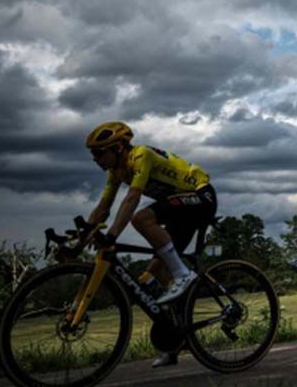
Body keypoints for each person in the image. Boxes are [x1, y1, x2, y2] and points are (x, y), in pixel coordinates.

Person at [83, 121, 217, 367]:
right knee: (151, 278)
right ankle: (175, 342)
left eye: (100, 153)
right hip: (178, 207)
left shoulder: (140, 156)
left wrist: (112, 235)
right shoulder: (116, 173)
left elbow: (132, 198)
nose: (96, 159)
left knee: (142, 218)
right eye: (93, 155)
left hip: (201, 196)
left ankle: (183, 275)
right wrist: (82, 236)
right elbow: (103, 208)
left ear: (120, 147)